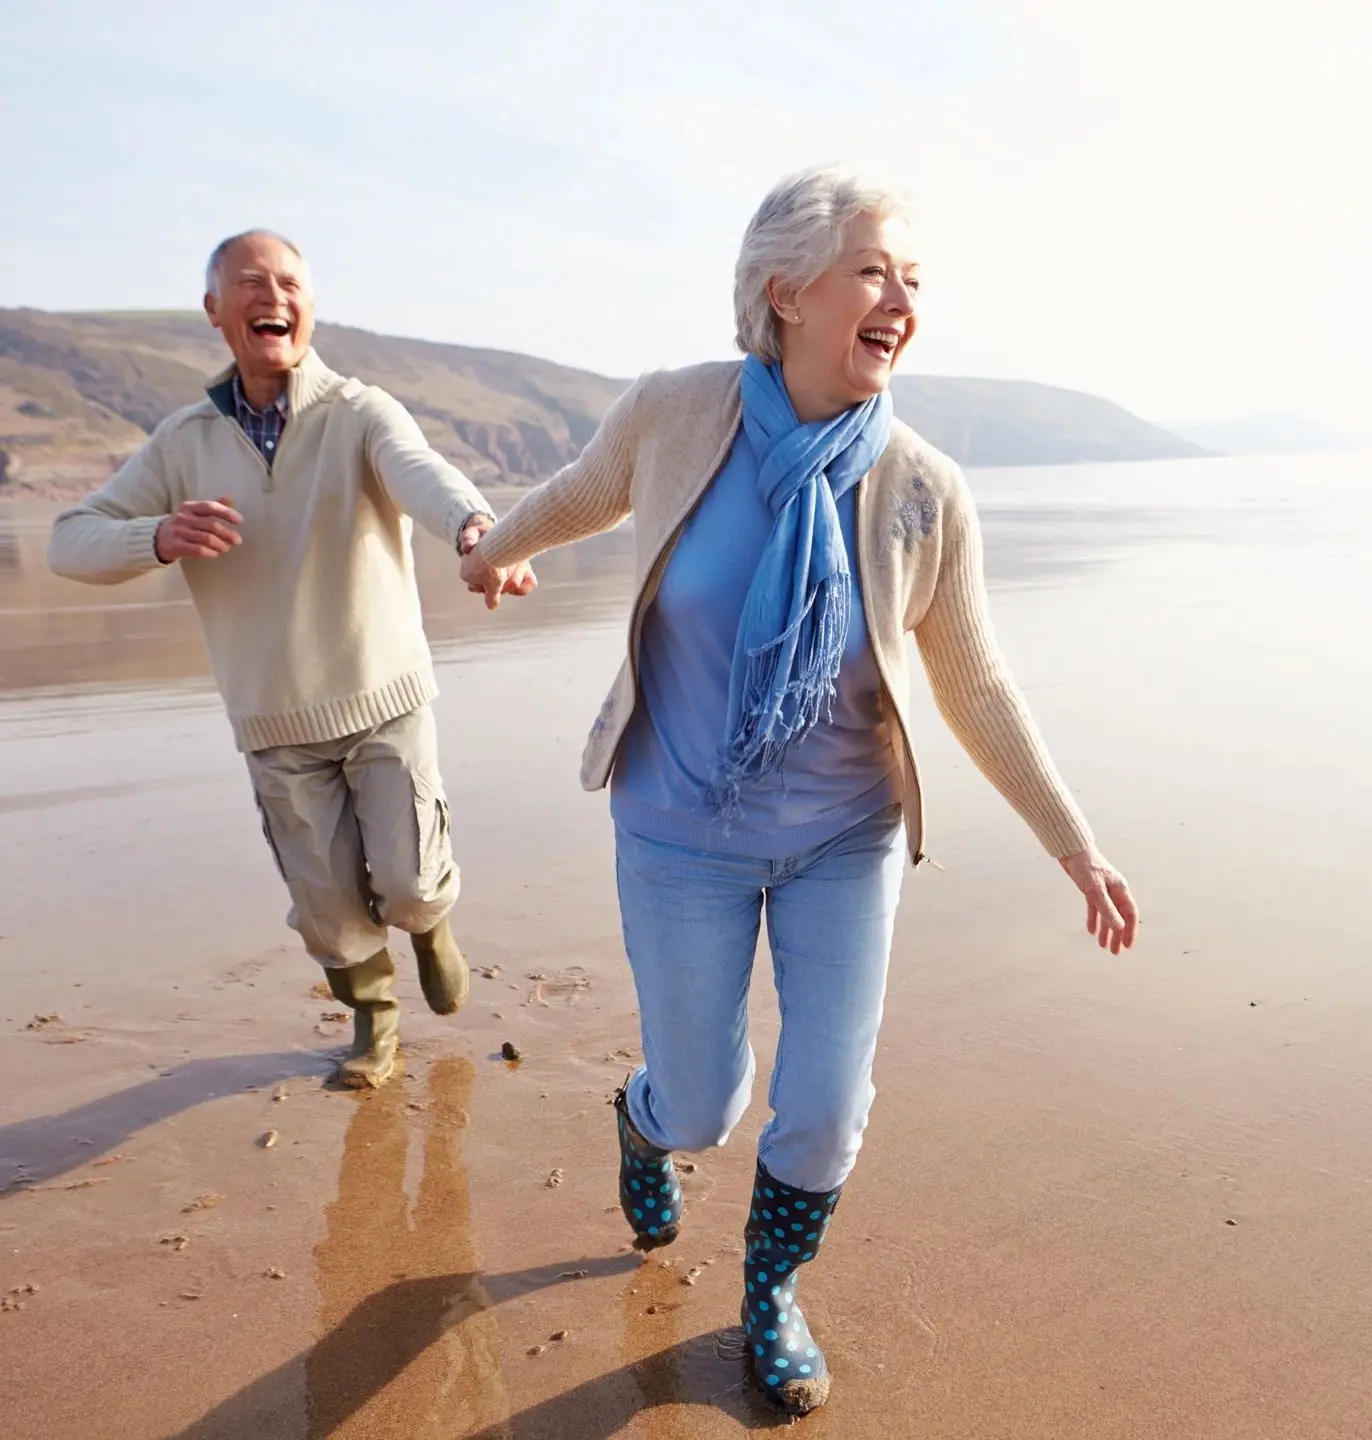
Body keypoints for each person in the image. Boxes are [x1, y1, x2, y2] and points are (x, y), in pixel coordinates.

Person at [460, 166, 1140, 1415]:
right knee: (704, 1101)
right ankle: (642, 1122)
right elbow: (577, 496)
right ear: (786, 290)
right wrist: (490, 553)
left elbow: (976, 688)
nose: (903, 301)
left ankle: (770, 1294)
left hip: (844, 837)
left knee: (825, 1110)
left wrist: (1075, 848)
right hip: (677, 829)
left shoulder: (923, 489)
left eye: (915, 281)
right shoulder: (674, 415)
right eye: (877, 271)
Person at [47, 229, 535, 1090]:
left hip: (383, 695)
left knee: (411, 881)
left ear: (310, 303)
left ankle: (430, 926)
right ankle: (374, 1020)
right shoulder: (182, 441)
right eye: (250, 283)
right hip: (273, 719)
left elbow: (424, 473)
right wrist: (155, 535)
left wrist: (475, 530)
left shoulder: (359, 411)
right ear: (215, 311)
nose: (273, 295)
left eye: (289, 282)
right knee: (329, 909)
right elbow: (68, 542)